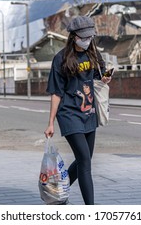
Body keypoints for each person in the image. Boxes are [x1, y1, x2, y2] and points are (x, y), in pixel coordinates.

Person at [44, 15, 111, 205]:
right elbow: (56, 93)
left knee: (85, 159)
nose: (88, 40)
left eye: (90, 37)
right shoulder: (61, 59)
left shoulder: (93, 53)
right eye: (84, 37)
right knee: (85, 161)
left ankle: (58, 193)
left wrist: (106, 78)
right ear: (74, 36)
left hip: (89, 113)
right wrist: (50, 123)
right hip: (69, 114)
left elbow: (100, 74)